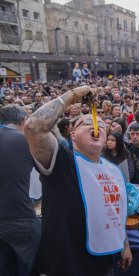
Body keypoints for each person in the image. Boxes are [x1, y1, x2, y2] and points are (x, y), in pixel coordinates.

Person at [24, 86, 132, 275]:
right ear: (72, 135)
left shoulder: (112, 171)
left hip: (102, 264)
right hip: (64, 264)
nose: (95, 125)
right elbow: (34, 127)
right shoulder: (61, 160)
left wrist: (124, 244)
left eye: (101, 125)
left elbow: (115, 210)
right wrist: (74, 95)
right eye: (86, 122)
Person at [0, 105, 40, 275]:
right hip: (19, 216)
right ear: (24, 122)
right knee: (41, 265)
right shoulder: (26, 139)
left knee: (5, 269)